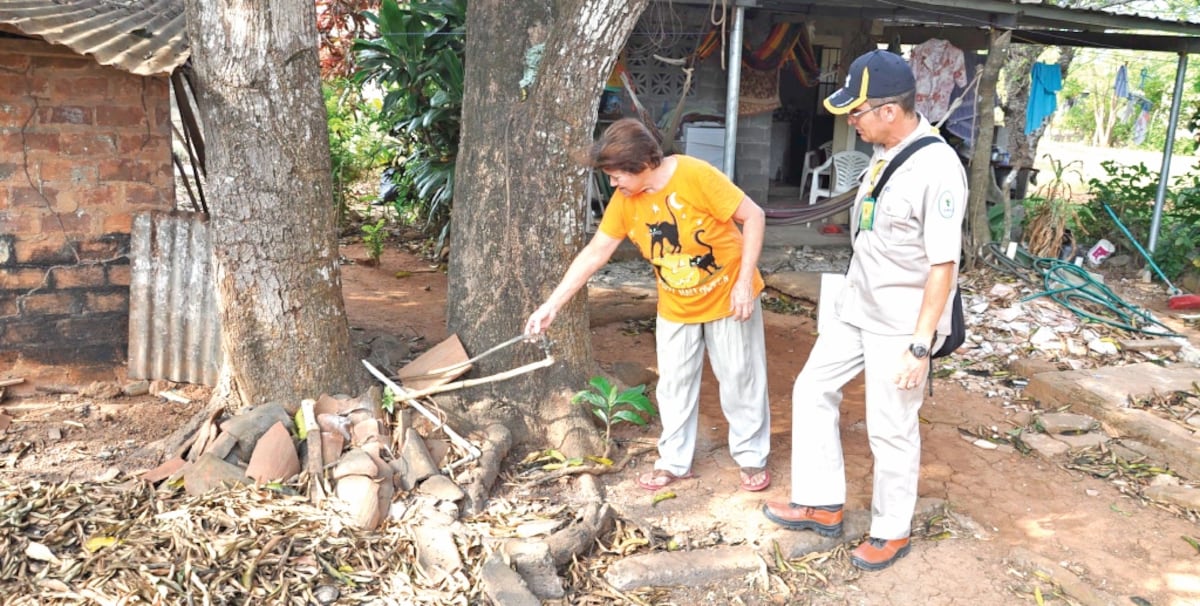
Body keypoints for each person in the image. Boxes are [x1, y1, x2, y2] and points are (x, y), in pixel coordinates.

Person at [762, 49, 967, 571]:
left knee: (890, 426)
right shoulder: (883, 150)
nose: (850, 122)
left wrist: (920, 346)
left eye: (857, 112)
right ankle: (821, 501)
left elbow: (943, 267)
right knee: (812, 389)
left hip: (902, 322)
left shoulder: (937, 168)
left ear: (890, 111)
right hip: (858, 307)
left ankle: (891, 530)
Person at [524, 118, 772, 493]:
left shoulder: (695, 175)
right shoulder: (625, 202)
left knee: (740, 379)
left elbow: (753, 215)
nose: (614, 183)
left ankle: (752, 456)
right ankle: (674, 461)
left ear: (642, 164)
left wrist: (742, 284)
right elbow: (597, 251)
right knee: (673, 386)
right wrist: (552, 305)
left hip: (728, 296)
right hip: (677, 304)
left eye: (617, 174)